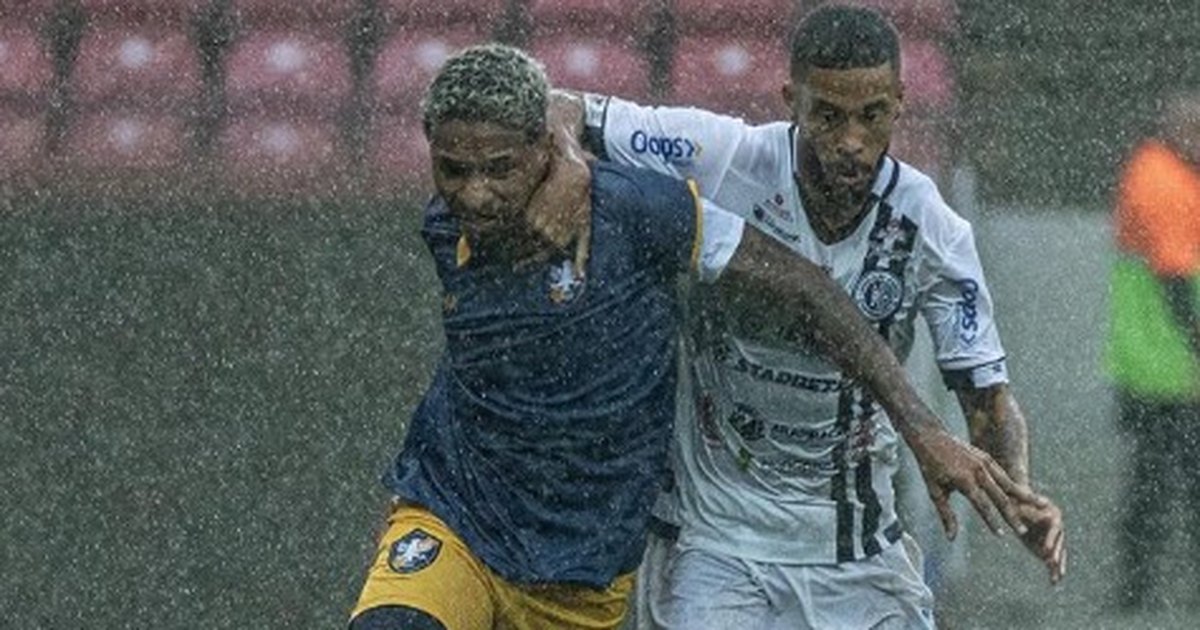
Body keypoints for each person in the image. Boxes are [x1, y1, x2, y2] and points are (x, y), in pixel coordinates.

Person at [347, 43, 1037, 630]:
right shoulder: (444, 225)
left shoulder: (638, 210)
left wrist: (923, 431)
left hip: (581, 565)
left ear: (539, 148)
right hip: (458, 518)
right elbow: (555, 108)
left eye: (499, 168)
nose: (473, 194)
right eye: (454, 170)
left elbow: (807, 286)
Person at [540, 5, 1066, 628]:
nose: (851, 141)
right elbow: (560, 104)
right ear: (792, 101)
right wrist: (569, 163)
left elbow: (986, 401)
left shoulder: (933, 228)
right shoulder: (725, 156)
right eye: (828, 115)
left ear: (901, 102)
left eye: (872, 115)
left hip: (854, 547)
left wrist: (1018, 490)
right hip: (714, 542)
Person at [1106, 88, 1200, 611]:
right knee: (1162, 481)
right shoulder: (1160, 179)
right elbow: (1175, 278)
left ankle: (1135, 591)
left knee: (1158, 480)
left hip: (1161, 364)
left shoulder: (1170, 174)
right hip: (1164, 365)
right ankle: (1134, 593)